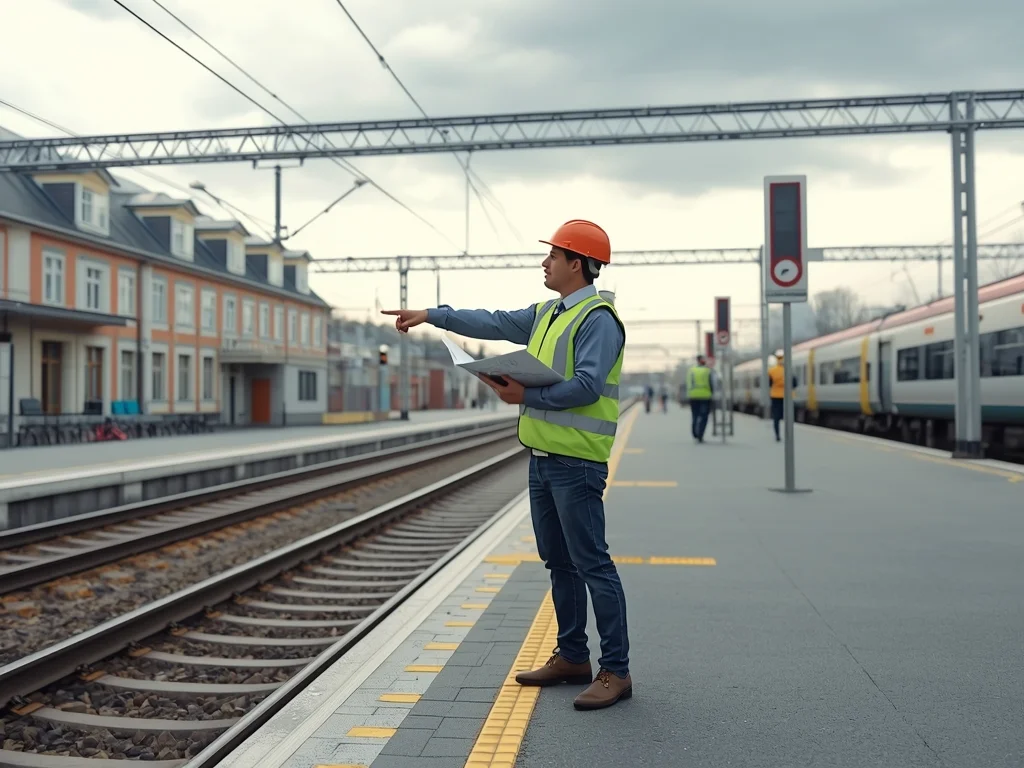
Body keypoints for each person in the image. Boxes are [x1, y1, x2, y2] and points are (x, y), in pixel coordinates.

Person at [382, 219, 632, 711]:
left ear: (575, 264)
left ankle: (616, 671)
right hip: (542, 458)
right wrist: (432, 314)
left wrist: (525, 392)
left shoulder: (599, 320)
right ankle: (573, 657)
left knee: (593, 564)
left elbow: (585, 385)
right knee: (558, 562)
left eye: (552, 256)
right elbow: (492, 322)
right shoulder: (547, 313)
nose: (544, 263)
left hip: (577, 462)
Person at [767, 349, 798, 442]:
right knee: (788, 416)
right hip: (788, 396)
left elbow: (770, 384)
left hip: (775, 396)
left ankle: (777, 435)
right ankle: (789, 435)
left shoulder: (772, 371)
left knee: (776, 417)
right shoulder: (789, 370)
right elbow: (794, 384)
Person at [686, 355, 713, 442]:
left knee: (695, 415)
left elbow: (688, 383)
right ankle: (700, 435)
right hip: (705, 396)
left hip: (693, 395)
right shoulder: (707, 371)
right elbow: (712, 383)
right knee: (704, 416)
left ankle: (695, 433)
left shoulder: (691, 371)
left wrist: (689, 393)